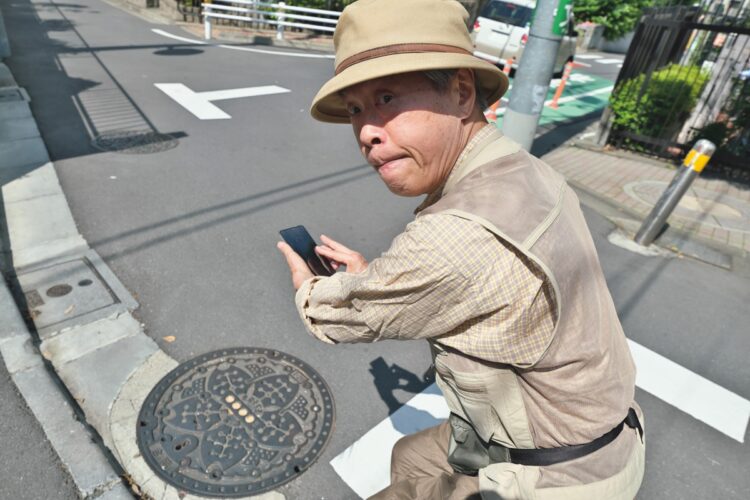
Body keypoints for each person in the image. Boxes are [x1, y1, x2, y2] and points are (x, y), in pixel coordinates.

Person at [277, 0, 645, 498]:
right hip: (599, 426)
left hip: (556, 473)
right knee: (408, 455)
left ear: (462, 91)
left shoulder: (457, 236)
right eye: (355, 110)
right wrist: (372, 275)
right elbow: (453, 286)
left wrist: (311, 289)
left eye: (386, 97)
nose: (366, 131)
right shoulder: (525, 169)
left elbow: (345, 315)